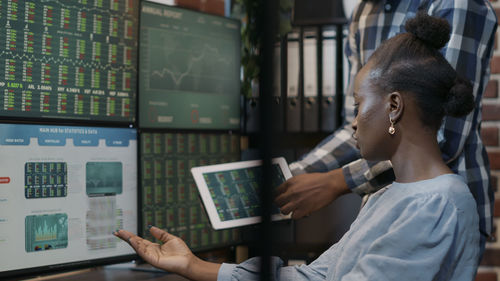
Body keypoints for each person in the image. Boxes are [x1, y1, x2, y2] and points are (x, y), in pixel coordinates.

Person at [115, 12, 481, 280]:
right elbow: (320, 276)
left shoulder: (436, 204)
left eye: (357, 106)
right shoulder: (390, 196)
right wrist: (194, 265)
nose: (352, 122)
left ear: (394, 106)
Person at [275, 0, 497, 256]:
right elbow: (358, 124)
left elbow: (439, 135)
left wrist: (335, 182)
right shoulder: (364, 13)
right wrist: (294, 175)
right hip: (381, 209)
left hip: (438, 215)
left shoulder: (456, 4)